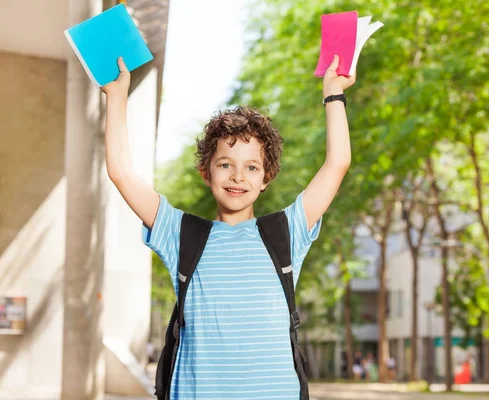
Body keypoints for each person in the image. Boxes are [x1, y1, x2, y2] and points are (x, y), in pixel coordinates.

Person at [101, 55, 355, 400]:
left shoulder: (286, 231)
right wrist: (116, 99)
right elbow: (121, 173)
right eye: (225, 164)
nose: (238, 176)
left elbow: (337, 164)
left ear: (267, 178)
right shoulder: (180, 234)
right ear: (206, 172)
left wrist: (334, 94)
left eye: (252, 167)